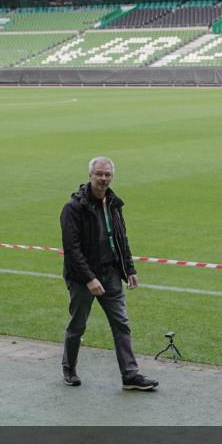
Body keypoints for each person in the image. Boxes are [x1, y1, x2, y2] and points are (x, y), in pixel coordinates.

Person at [60, 157, 158, 391]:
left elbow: (121, 238)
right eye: (99, 174)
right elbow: (72, 249)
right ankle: (69, 369)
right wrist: (89, 278)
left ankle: (130, 375)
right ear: (90, 175)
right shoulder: (73, 208)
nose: (103, 178)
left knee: (121, 324)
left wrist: (129, 269)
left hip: (111, 273)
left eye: (107, 175)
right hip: (82, 278)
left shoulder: (114, 203)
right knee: (78, 325)